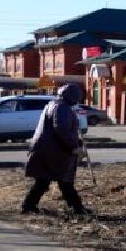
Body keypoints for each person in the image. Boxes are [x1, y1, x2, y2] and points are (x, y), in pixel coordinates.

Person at [21, 83, 92, 217]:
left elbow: (61, 130)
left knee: (43, 181)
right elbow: (62, 130)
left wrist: (77, 142)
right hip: (54, 152)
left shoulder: (53, 104)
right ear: (73, 97)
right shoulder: (62, 108)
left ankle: (29, 206)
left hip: (47, 149)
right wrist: (74, 146)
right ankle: (77, 209)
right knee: (65, 181)